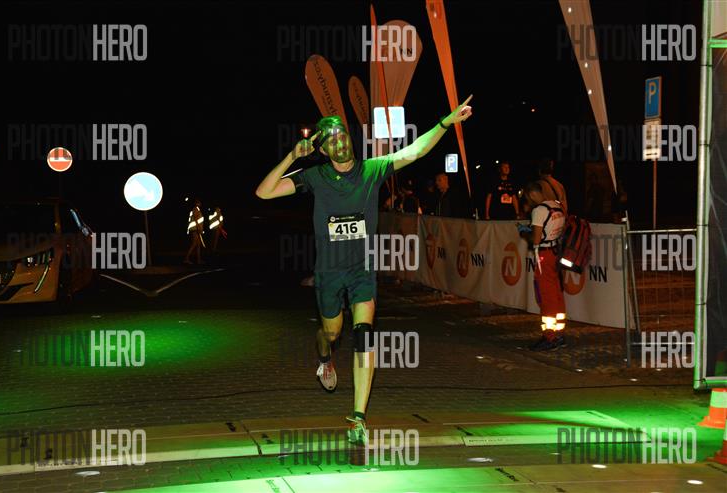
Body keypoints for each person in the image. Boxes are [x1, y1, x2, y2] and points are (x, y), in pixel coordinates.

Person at [255, 97, 473, 444]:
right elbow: (264, 192)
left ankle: (357, 418)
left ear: (350, 139)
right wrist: (293, 157)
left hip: (361, 271)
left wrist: (446, 122)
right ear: (323, 151)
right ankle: (325, 356)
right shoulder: (314, 176)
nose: (339, 142)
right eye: (331, 140)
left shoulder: (372, 169)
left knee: (364, 335)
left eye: (342, 135)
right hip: (329, 272)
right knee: (331, 333)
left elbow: (415, 150)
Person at [520, 182, 567, 351]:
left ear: (532, 194)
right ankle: (559, 334)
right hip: (555, 253)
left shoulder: (539, 210)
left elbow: (536, 239)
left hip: (544, 256)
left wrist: (524, 233)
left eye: (527, 198)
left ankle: (549, 337)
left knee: (546, 296)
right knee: (556, 294)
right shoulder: (557, 206)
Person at [184, 198, 204, 264]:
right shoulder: (195, 209)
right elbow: (195, 218)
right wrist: (198, 227)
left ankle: (199, 260)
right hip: (195, 229)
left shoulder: (197, 209)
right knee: (194, 244)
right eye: (199, 202)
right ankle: (186, 259)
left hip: (196, 228)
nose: (200, 203)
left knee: (198, 245)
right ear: (197, 203)